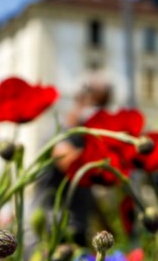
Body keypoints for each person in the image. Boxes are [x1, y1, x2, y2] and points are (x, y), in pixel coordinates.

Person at [32, 78, 113, 246]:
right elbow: (68, 161)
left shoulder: (85, 139)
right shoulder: (60, 131)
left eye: (104, 106)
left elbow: (86, 188)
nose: (100, 112)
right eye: (97, 104)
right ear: (82, 99)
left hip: (78, 229)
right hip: (50, 230)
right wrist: (113, 155)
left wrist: (106, 225)